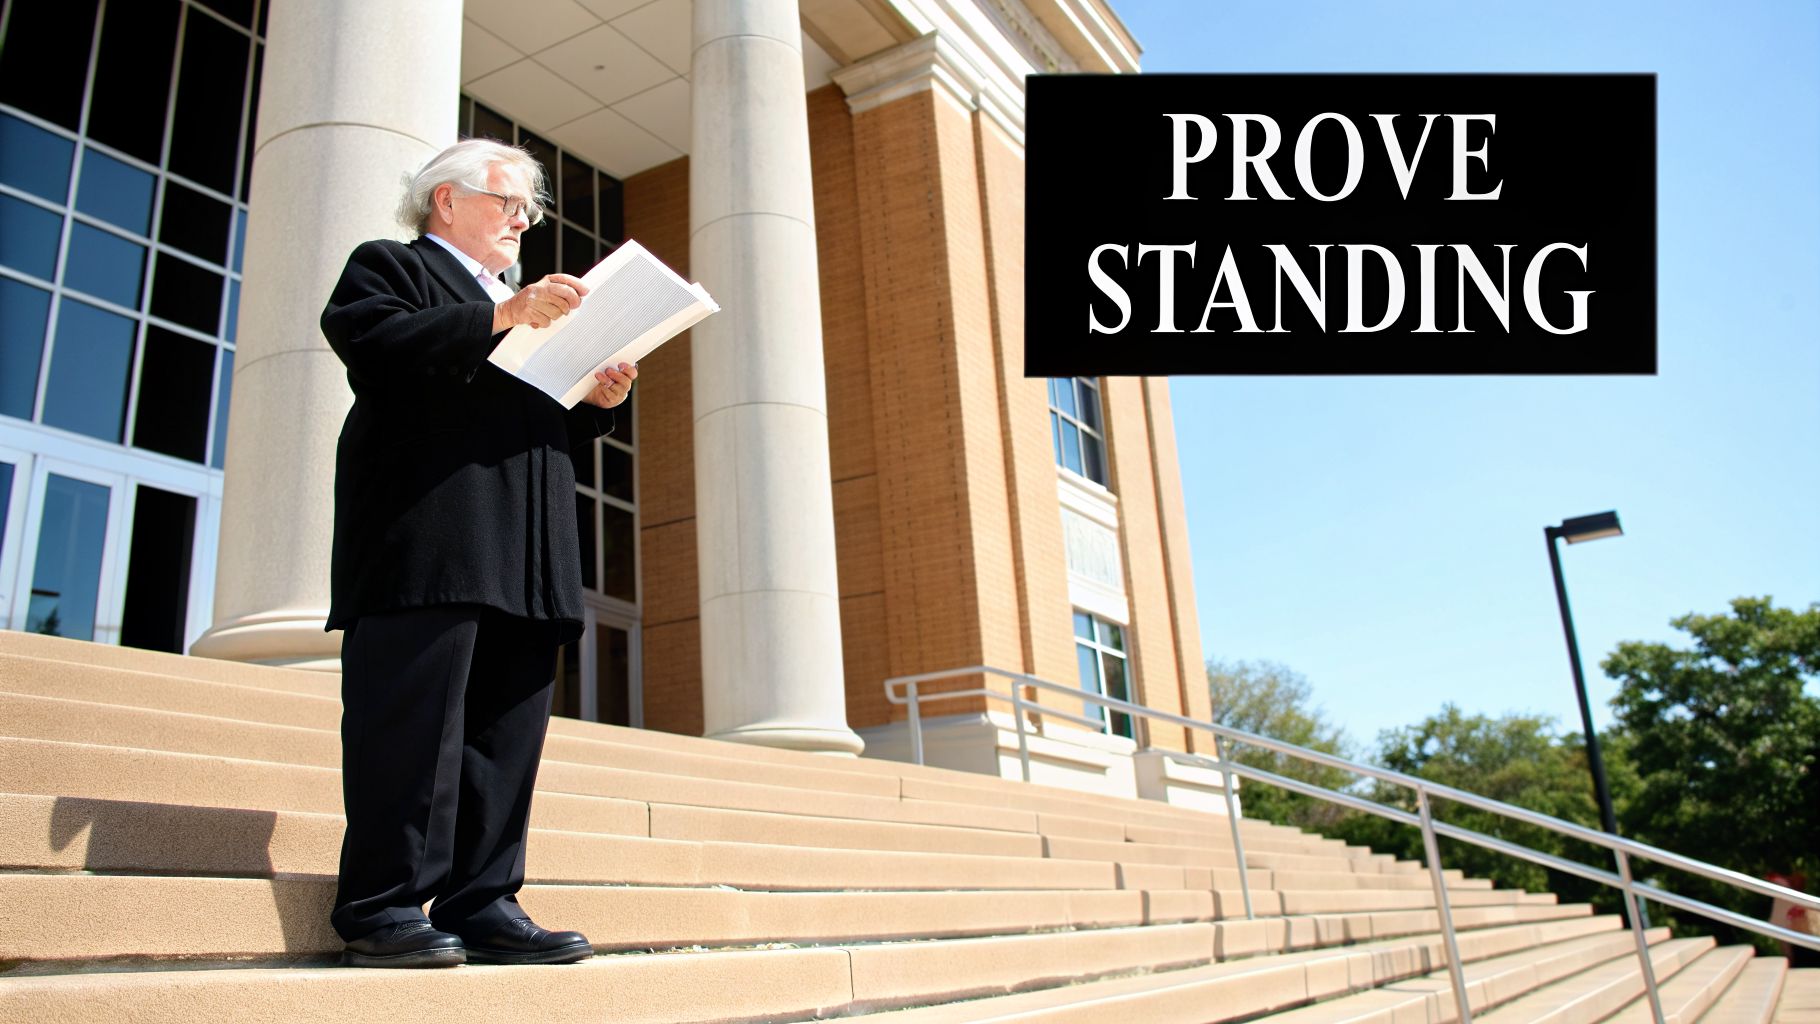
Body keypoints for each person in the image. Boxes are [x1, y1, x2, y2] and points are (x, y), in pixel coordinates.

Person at [319, 138, 636, 968]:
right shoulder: (391, 266)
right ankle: (383, 906)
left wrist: (593, 399)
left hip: (526, 549)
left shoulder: (524, 306)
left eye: (529, 209)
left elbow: (531, 417)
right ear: (447, 201)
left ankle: (484, 899)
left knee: (504, 738)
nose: (523, 221)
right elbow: (373, 347)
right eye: (509, 203)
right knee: (412, 731)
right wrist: (502, 315)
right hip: (427, 540)